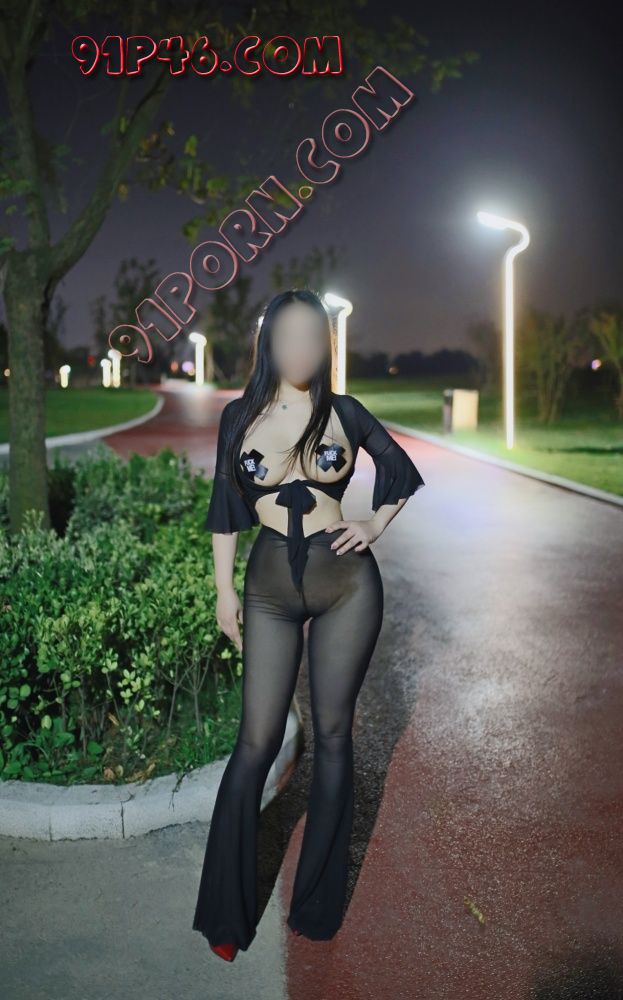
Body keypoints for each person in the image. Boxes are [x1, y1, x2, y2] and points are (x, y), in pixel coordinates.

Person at [192, 288, 425, 961]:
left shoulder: (345, 412)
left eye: (311, 336)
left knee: (332, 735)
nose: (299, 348)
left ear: (325, 345)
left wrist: (374, 523)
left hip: (346, 586)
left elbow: (399, 469)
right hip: (268, 587)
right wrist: (222, 592)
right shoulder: (239, 416)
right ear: (268, 342)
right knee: (255, 741)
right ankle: (226, 916)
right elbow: (224, 508)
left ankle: (318, 907)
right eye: (287, 335)